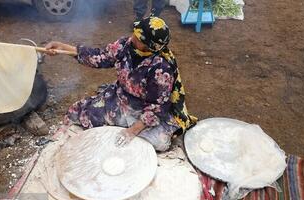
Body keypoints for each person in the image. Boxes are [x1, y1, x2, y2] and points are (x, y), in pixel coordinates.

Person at [45, 17, 197, 152]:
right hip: (121, 99)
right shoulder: (125, 45)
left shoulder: (161, 70)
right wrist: (63, 48)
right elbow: (100, 56)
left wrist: (132, 131)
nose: (132, 37)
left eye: (138, 37)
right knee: (84, 114)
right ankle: (119, 121)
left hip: (145, 109)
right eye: (135, 32)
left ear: (148, 46)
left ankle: (129, 127)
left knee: (159, 142)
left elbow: (157, 108)